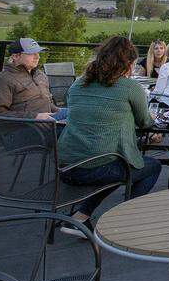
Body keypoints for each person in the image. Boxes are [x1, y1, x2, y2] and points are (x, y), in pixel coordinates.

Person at [56, 36, 162, 237]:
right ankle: (122, 220)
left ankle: (81, 216)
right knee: (148, 166)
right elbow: (145, 122)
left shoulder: (78, 85)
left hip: (64, 164)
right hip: (93, 168)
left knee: (116, 164)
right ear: (128, 64)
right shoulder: (130, 88)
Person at [0, 38, 57, 119]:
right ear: (15, 56)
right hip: (24, 127)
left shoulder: (40, 75)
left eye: (38, 53)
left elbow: (46, 102)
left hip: (49, 122)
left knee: (72, 115)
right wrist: (35, 117)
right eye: (31, 53)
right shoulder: (1, 80)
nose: (37, 57)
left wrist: (59, 111)